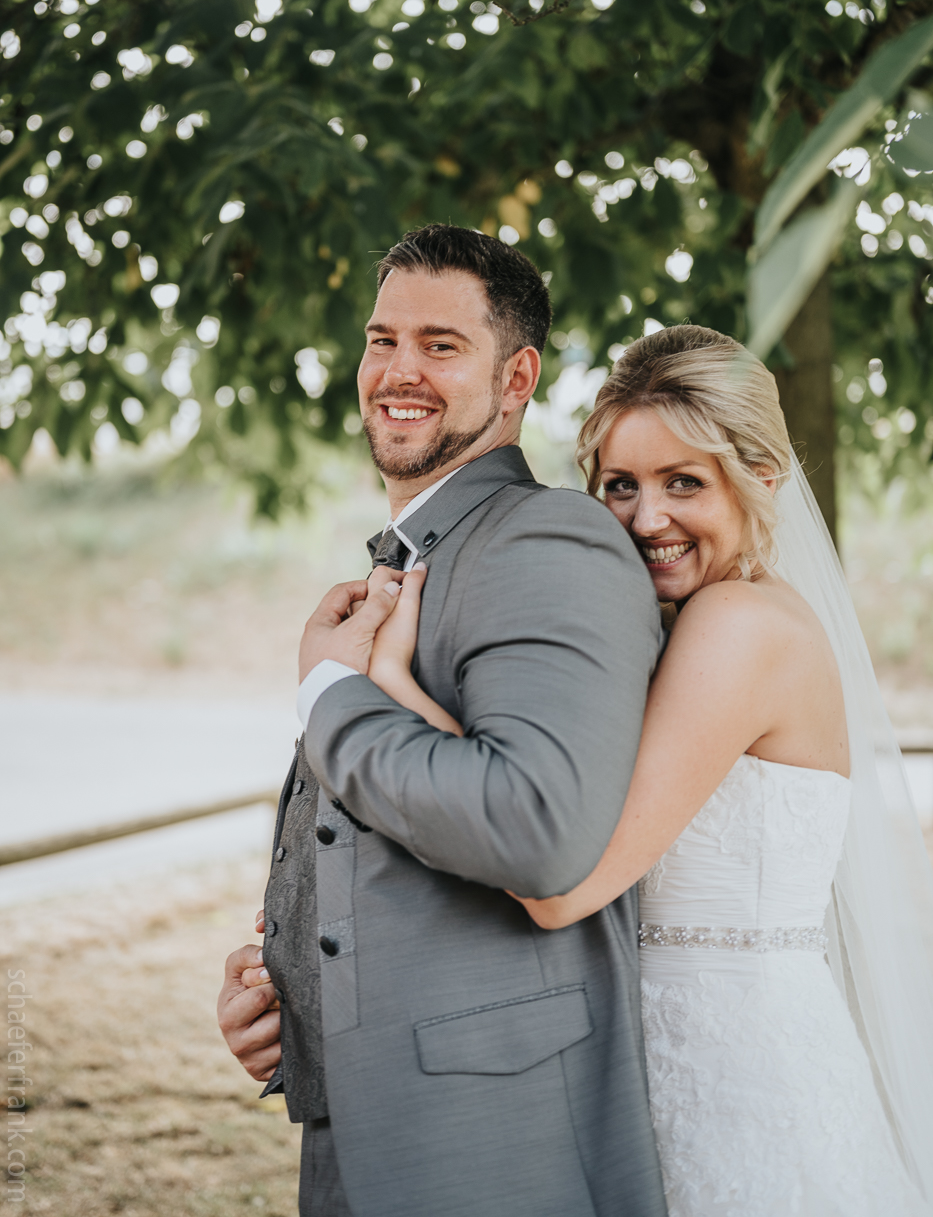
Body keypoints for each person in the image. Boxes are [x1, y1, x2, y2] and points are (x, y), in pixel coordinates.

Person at [366, 325, 933, 1216]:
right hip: (656, 1064)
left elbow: (559, 884)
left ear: (762, 479)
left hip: (734, 1088)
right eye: (620, 485)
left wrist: (389, 686)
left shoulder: (739, 626)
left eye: (684, 483)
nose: (645, 519)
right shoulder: (709, 620)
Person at [218, 224, 670, 1217]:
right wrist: (292, 995)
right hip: (362, 1115)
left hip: (493, 1139)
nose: (399, 371)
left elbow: (536, 825)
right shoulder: (418, 556)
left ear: (517, 379)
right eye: (382, 340)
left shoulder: (545, 539)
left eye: (440, 344)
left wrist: (327, 693)